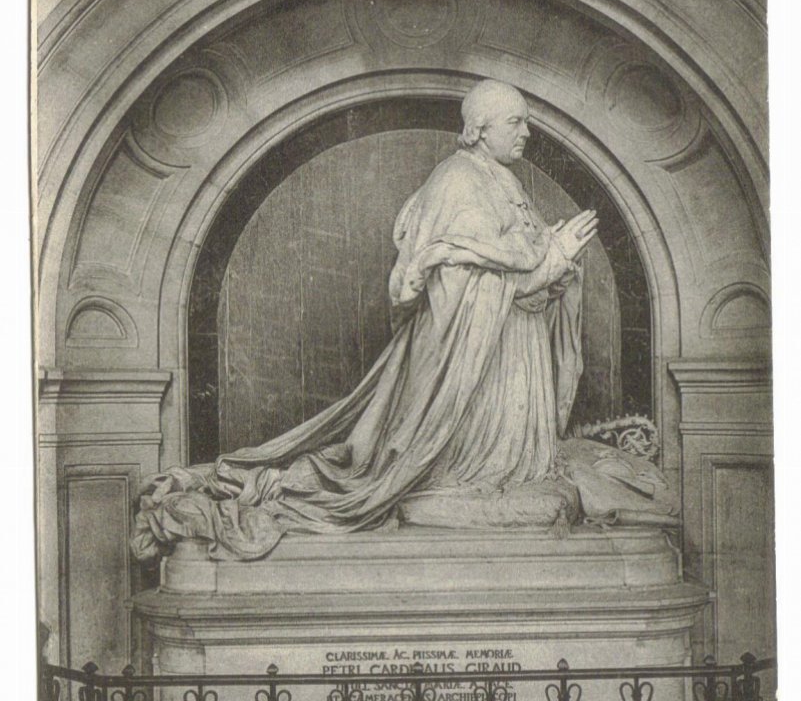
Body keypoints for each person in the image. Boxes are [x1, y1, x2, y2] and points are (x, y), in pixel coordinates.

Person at [132, 80, 675, 563]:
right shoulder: (457, 182)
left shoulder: (502, 181)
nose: (527, 133)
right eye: (516, 122)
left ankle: (494, 480)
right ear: (479, 129)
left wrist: (555, 267)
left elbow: (515, 278)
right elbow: (458, 293)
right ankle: (447, 483)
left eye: (526, 122)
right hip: (469, 378)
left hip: (508, 362)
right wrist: (551, 261)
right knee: (386, 472)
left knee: (545, 486)